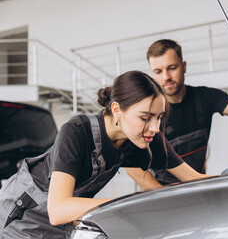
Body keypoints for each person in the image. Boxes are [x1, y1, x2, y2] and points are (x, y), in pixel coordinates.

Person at [0, 70, 209, 238]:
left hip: (62, 223)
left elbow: (195, 180)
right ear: (117, 110)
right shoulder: (77, 131)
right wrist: (129, 204)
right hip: (20, 215)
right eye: (146, 117)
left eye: (159, 117)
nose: (155, 127)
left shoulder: (145, 136)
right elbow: (58, 209)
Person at [126, 39, 228, 188]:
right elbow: (132, 167)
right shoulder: (147, 111)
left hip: (196, 184)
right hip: (160, 192)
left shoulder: (206, 97)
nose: (166, 77)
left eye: (172, 68)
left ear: (184, 66)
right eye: (158, 72)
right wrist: (161, 193)